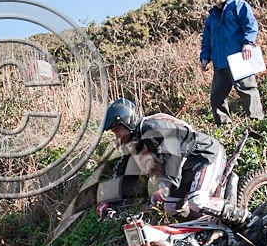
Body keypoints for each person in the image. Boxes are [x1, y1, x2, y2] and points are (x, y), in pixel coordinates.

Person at [96, 98, 253, 229]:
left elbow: (172, 154)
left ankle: (249, 220)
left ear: (128, 122)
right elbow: (125, 175)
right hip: (187, 170)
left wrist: (164, 185)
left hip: (205, 155)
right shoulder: (133, 144)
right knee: (171, 207)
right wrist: (109, 201)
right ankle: (209, 230)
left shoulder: (153, 127)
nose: (116, 135)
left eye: (117, 130)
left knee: (197, 201)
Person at [200, 0, 264, 126]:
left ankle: (257, 124)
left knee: (247, 89)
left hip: (239, 58)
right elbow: (207, 40)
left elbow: (250, 25)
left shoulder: (239, 5)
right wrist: (204, 58)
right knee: (217, 97)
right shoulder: (211, 18)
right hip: (220, 63)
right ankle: (224, 127)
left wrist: (248, 43)